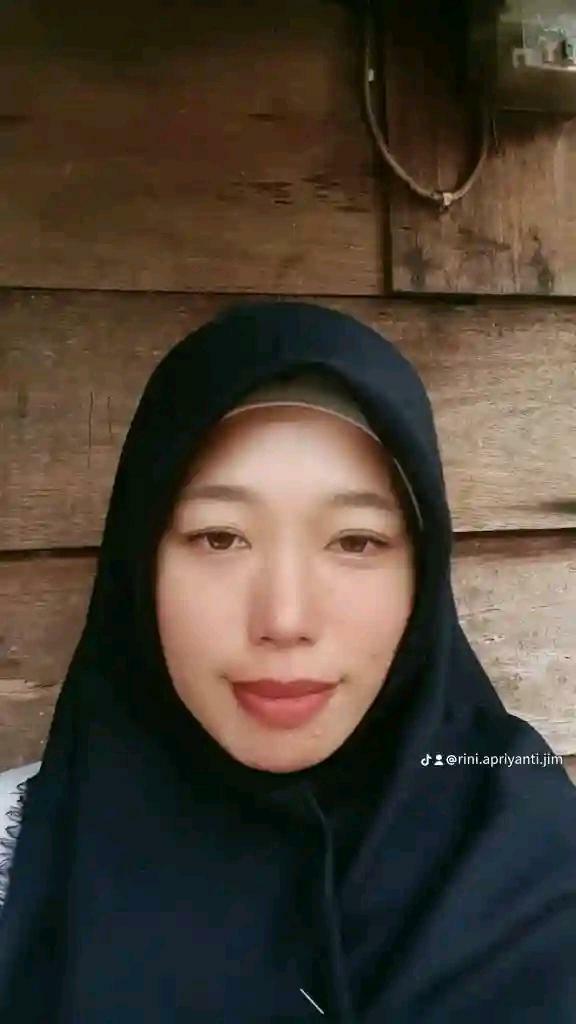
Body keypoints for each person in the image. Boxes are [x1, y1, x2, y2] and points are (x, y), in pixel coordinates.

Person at [0, 300, 575, 1022]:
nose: (285, 620)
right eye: (219, 538)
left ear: (422, 576)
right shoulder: (18, 858)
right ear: (139, 563)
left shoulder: (531, 845)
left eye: (356, 541)